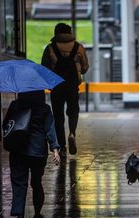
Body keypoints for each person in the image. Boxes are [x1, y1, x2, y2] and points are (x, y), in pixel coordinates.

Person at [3, 91, 61, 218]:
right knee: (36, 182)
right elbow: (50, 129)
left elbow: (6, 124)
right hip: (38, 151)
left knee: (19, 184)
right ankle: (37, 215)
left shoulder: (15, 105)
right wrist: (55, 149)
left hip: (18, 150)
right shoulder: (44, 108)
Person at [41, 23, 89, 158]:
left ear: (56, 33)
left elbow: (44, 68)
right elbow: (85, 67)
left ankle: (62, 147)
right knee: (73, 111)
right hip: (72, 86)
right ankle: (72, 133)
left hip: (57, 86)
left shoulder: (50, 48)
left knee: (58, 117)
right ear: (70, 32)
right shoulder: (78, 47)